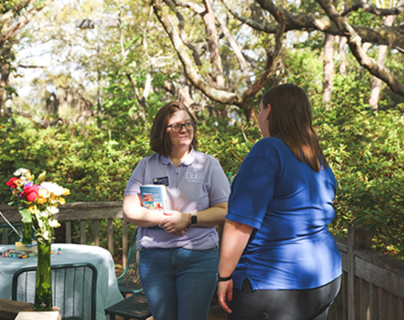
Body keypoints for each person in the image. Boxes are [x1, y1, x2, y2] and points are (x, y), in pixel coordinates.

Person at [217, 84, 342, 320]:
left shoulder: (268, 150)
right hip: (326, 276)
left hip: (275, 284)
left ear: (269, 111)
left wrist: (224, 276)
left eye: (260, 110)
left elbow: (240, 224)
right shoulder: (315, 157)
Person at [123, 101, 230, 320]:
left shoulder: (209, 165)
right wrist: (167, 219)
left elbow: (225, 210)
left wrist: (188, 219)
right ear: (163, 131)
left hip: (198, 259)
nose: (185, 129)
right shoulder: (146, 165)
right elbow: (129, 209)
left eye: (189, 123)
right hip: (154, 260)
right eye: (177, 125)